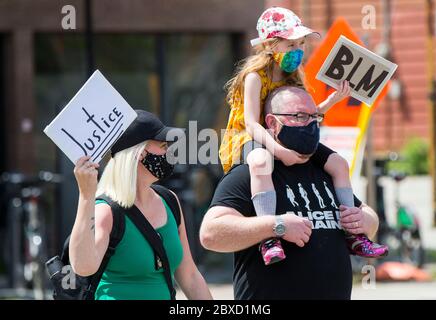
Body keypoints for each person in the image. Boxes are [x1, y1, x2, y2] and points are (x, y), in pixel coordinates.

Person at [219, 6, 387, 265]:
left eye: (300, 43)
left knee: (339, 164)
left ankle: (354, 235)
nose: (297, 50)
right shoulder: (254, 77)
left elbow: (303, 115)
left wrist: (331, 102)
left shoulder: (293, 76)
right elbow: (252, 123)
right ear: (270, 45)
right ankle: (269, 238)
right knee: (261, 162)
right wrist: (279, 151)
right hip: (251, 136)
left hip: (286, 133)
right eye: (290, 44)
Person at [201, 86, 382, 299]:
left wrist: (364, 221)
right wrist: (276, 225)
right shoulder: (251, 173)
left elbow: (369, 217)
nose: (310, 124)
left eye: (314, 116)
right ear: (272, 123)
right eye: (299, 116)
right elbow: (210, 234)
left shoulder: (326, 171)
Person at [69, 110, 213, 300]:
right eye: (163, 146)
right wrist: (86, 196)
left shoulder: (169, 200)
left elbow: (190, 276)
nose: (168, 152)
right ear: (139, 154)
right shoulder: (107, 210)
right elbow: (83, 267)